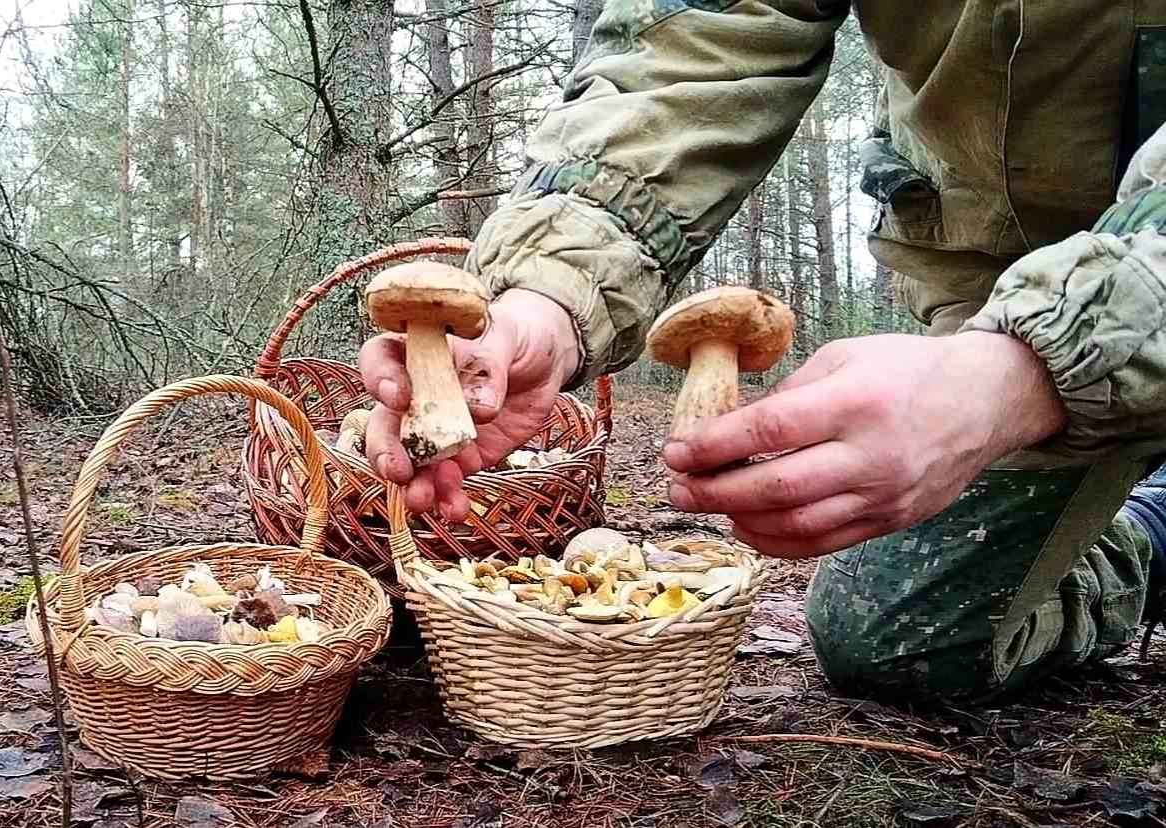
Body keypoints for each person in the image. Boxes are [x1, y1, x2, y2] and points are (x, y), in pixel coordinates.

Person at [359, 0, 1166, 704]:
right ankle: (1155, 526)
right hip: (997, 291)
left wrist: (1023, 371)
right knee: (895, 639)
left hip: (1105, 291)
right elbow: (694, 44)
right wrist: (550, 297)